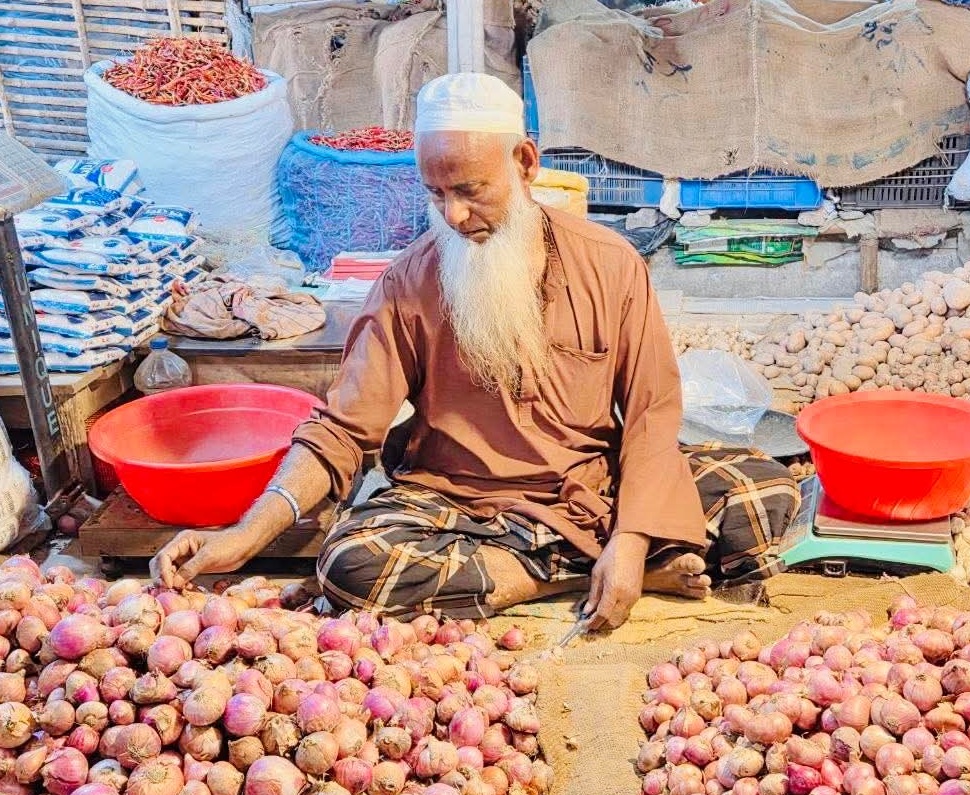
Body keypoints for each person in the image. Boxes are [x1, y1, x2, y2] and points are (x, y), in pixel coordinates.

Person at [151, 73, 799, 629]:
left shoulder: (613, 263)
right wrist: (244, 533)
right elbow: (340, 432)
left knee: (764, 490)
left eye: (471, 190)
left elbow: (655, 415)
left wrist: (629, 537)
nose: (454, 215)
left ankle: (589, 565)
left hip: (591, 491)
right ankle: (562, 579)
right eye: (436, 194)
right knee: (351, 566)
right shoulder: (410, 280)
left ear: (523, 163)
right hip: (457, 504)